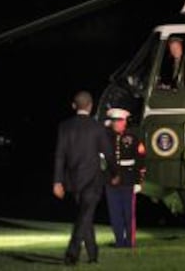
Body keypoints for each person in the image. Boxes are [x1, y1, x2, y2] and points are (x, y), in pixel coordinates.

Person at [53, 91, 116, 265]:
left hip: (73, 180)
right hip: (93, 180)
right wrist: (115, 173)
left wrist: (57, 181)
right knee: (84, 217)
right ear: (91, 106)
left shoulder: (64, 127)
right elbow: (109, 154)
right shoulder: (97, 127)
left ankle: (93, 253)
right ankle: (72, 253)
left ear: (74, 106)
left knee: (84, 215)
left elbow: (59, 156)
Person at [104, 108, 145, 248]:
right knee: (115, 213)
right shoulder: (106, 137)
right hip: (111, 180)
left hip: (128, 179)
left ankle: (130, 242)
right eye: (114, 121)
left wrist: (139, 181)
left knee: (128, 213)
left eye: (119, 121)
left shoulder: (133, 137)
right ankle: (119, 241)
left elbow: (140, 160)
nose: (116, 123)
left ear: (124, 122)